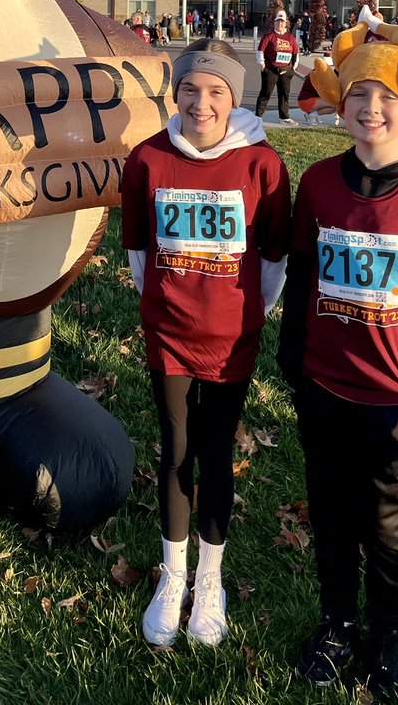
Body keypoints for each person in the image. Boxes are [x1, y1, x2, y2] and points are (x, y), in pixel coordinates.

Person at [277, 34, 398, 701]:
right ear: (339, 104)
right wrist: (294, 364)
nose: (371, 107)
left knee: (387, 525)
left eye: (386, 95)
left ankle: (391, 631)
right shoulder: (317, 184)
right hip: (323, 387)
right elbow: (302, 277)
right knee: (331, 517)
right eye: (358, 92)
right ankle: (337, 625)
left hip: (393, 399)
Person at [121, 40, 291, 648]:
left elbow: (273, 257)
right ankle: (173, 577)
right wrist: (168, 305)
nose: (201, 103)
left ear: (234, 97)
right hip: (169, 334)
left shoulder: (262, 165)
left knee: (215, 450)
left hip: (231, 338)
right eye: (190, 89)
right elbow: (138, 251)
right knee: (175, 447)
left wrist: (242, 316)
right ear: (175, 93)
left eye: (216, 91)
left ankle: (209, 579)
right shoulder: (147, 159)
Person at [254, 9, 299, 124]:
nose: (280, 24)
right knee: (266, 93)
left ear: (285, 23)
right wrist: (262, 65)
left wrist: (293, 68)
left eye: (282, 22)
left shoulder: (291, 38)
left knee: (284, 94)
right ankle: (258, 116)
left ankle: (284, 117)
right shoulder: (269, 36)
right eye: (278, 21)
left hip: (286, 71)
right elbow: (260, 51)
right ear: (274, 23)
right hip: (271, 70)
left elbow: (295, 53)